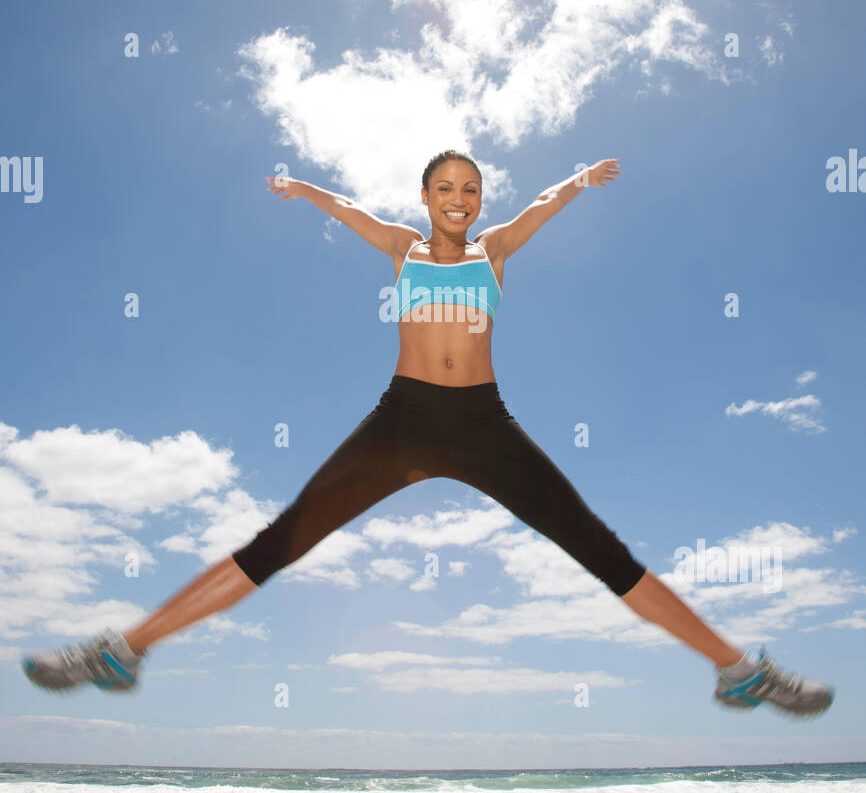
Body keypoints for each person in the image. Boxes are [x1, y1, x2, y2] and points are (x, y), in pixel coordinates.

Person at [22, 151, 833, 716]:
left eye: (472, 189)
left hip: (483, 423)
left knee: (600, 549)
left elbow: (543, 207)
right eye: (447, 186)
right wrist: (304, 189)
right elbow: (347, 212)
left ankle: (737, 671)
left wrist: (580, 181)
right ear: (426, 197)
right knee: (279, 543)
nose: (461, 198)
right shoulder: (404, 247)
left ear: (480, 202)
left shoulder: (496, 249)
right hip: (403, 419)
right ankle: (122, 651)